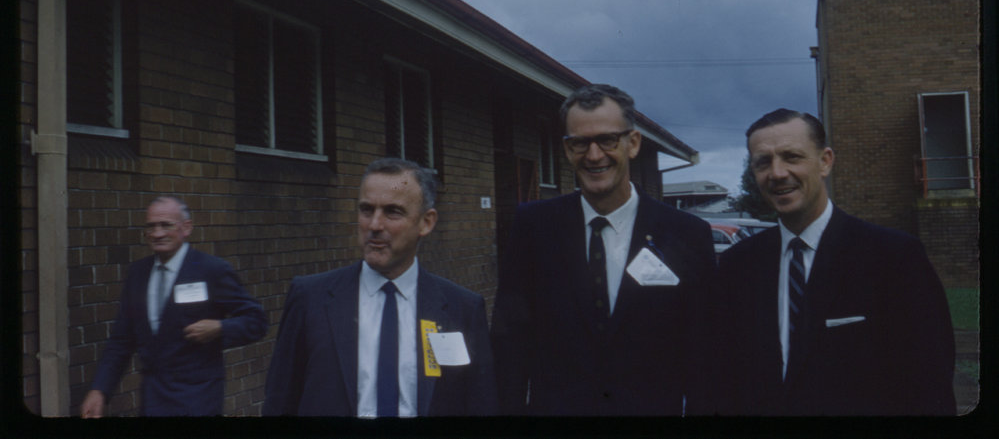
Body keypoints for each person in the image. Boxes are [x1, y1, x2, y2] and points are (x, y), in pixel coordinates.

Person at [490, 84, 717, 415]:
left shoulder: (686, 233)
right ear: (566, 149)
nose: (594, 155)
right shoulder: (534, 227)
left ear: (633, 143)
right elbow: (510, 341)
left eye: (607, 140)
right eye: (580, 143)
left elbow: (704, 352)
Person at [718, 108, 956, 415]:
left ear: (825, 161)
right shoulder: (738, 266)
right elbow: (726, 380)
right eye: (763, 162)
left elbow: (929, 383)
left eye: (792, 157)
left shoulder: (893, 258)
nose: (777, 173)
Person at [262, 158, 497, 416]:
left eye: (392, 212)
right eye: (366, 210)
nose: (374, 225)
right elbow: (279, 400)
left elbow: (479, 404)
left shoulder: (461, 308)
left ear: (426, 222)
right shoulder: (310, 298)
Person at [80, 196, 267, 417]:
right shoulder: (138, 274)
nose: (157, 234)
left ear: (186, 228)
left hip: (197, 399)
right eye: (151, 226)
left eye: (166, 225)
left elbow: (256, 320)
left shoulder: (211, 270)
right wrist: (100, 390)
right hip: (153, 400)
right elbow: (121, 340)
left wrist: (220, 327)